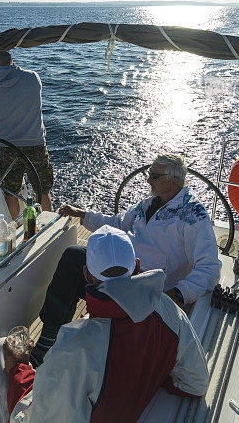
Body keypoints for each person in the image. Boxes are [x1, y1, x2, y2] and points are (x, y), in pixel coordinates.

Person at [0, 225, 209, 423]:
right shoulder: (168, 311)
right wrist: (147, 372)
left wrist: (17, 367)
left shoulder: (79, 345)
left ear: (86, 274)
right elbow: (195, 383)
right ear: (136, 265)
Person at [30, 153, 220, 365]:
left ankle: (79, 342)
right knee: (75, 258)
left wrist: (178, 293)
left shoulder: (194, 215)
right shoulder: (149, 203)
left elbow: (209, 268)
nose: (148, 180)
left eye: (155, 176)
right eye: (149, 174)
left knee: (81, 270)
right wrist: (82, 214)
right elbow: (118, 224)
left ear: (175, 181)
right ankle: (50, 336)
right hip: (123, 271)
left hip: (148, 288)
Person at [0, 50, 54, 219]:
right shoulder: (33, 78)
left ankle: (14, 228)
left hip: (8, 146)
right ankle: (47, 228)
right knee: (42, 190)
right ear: (12, 62)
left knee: (10, 192)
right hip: (35, 144)